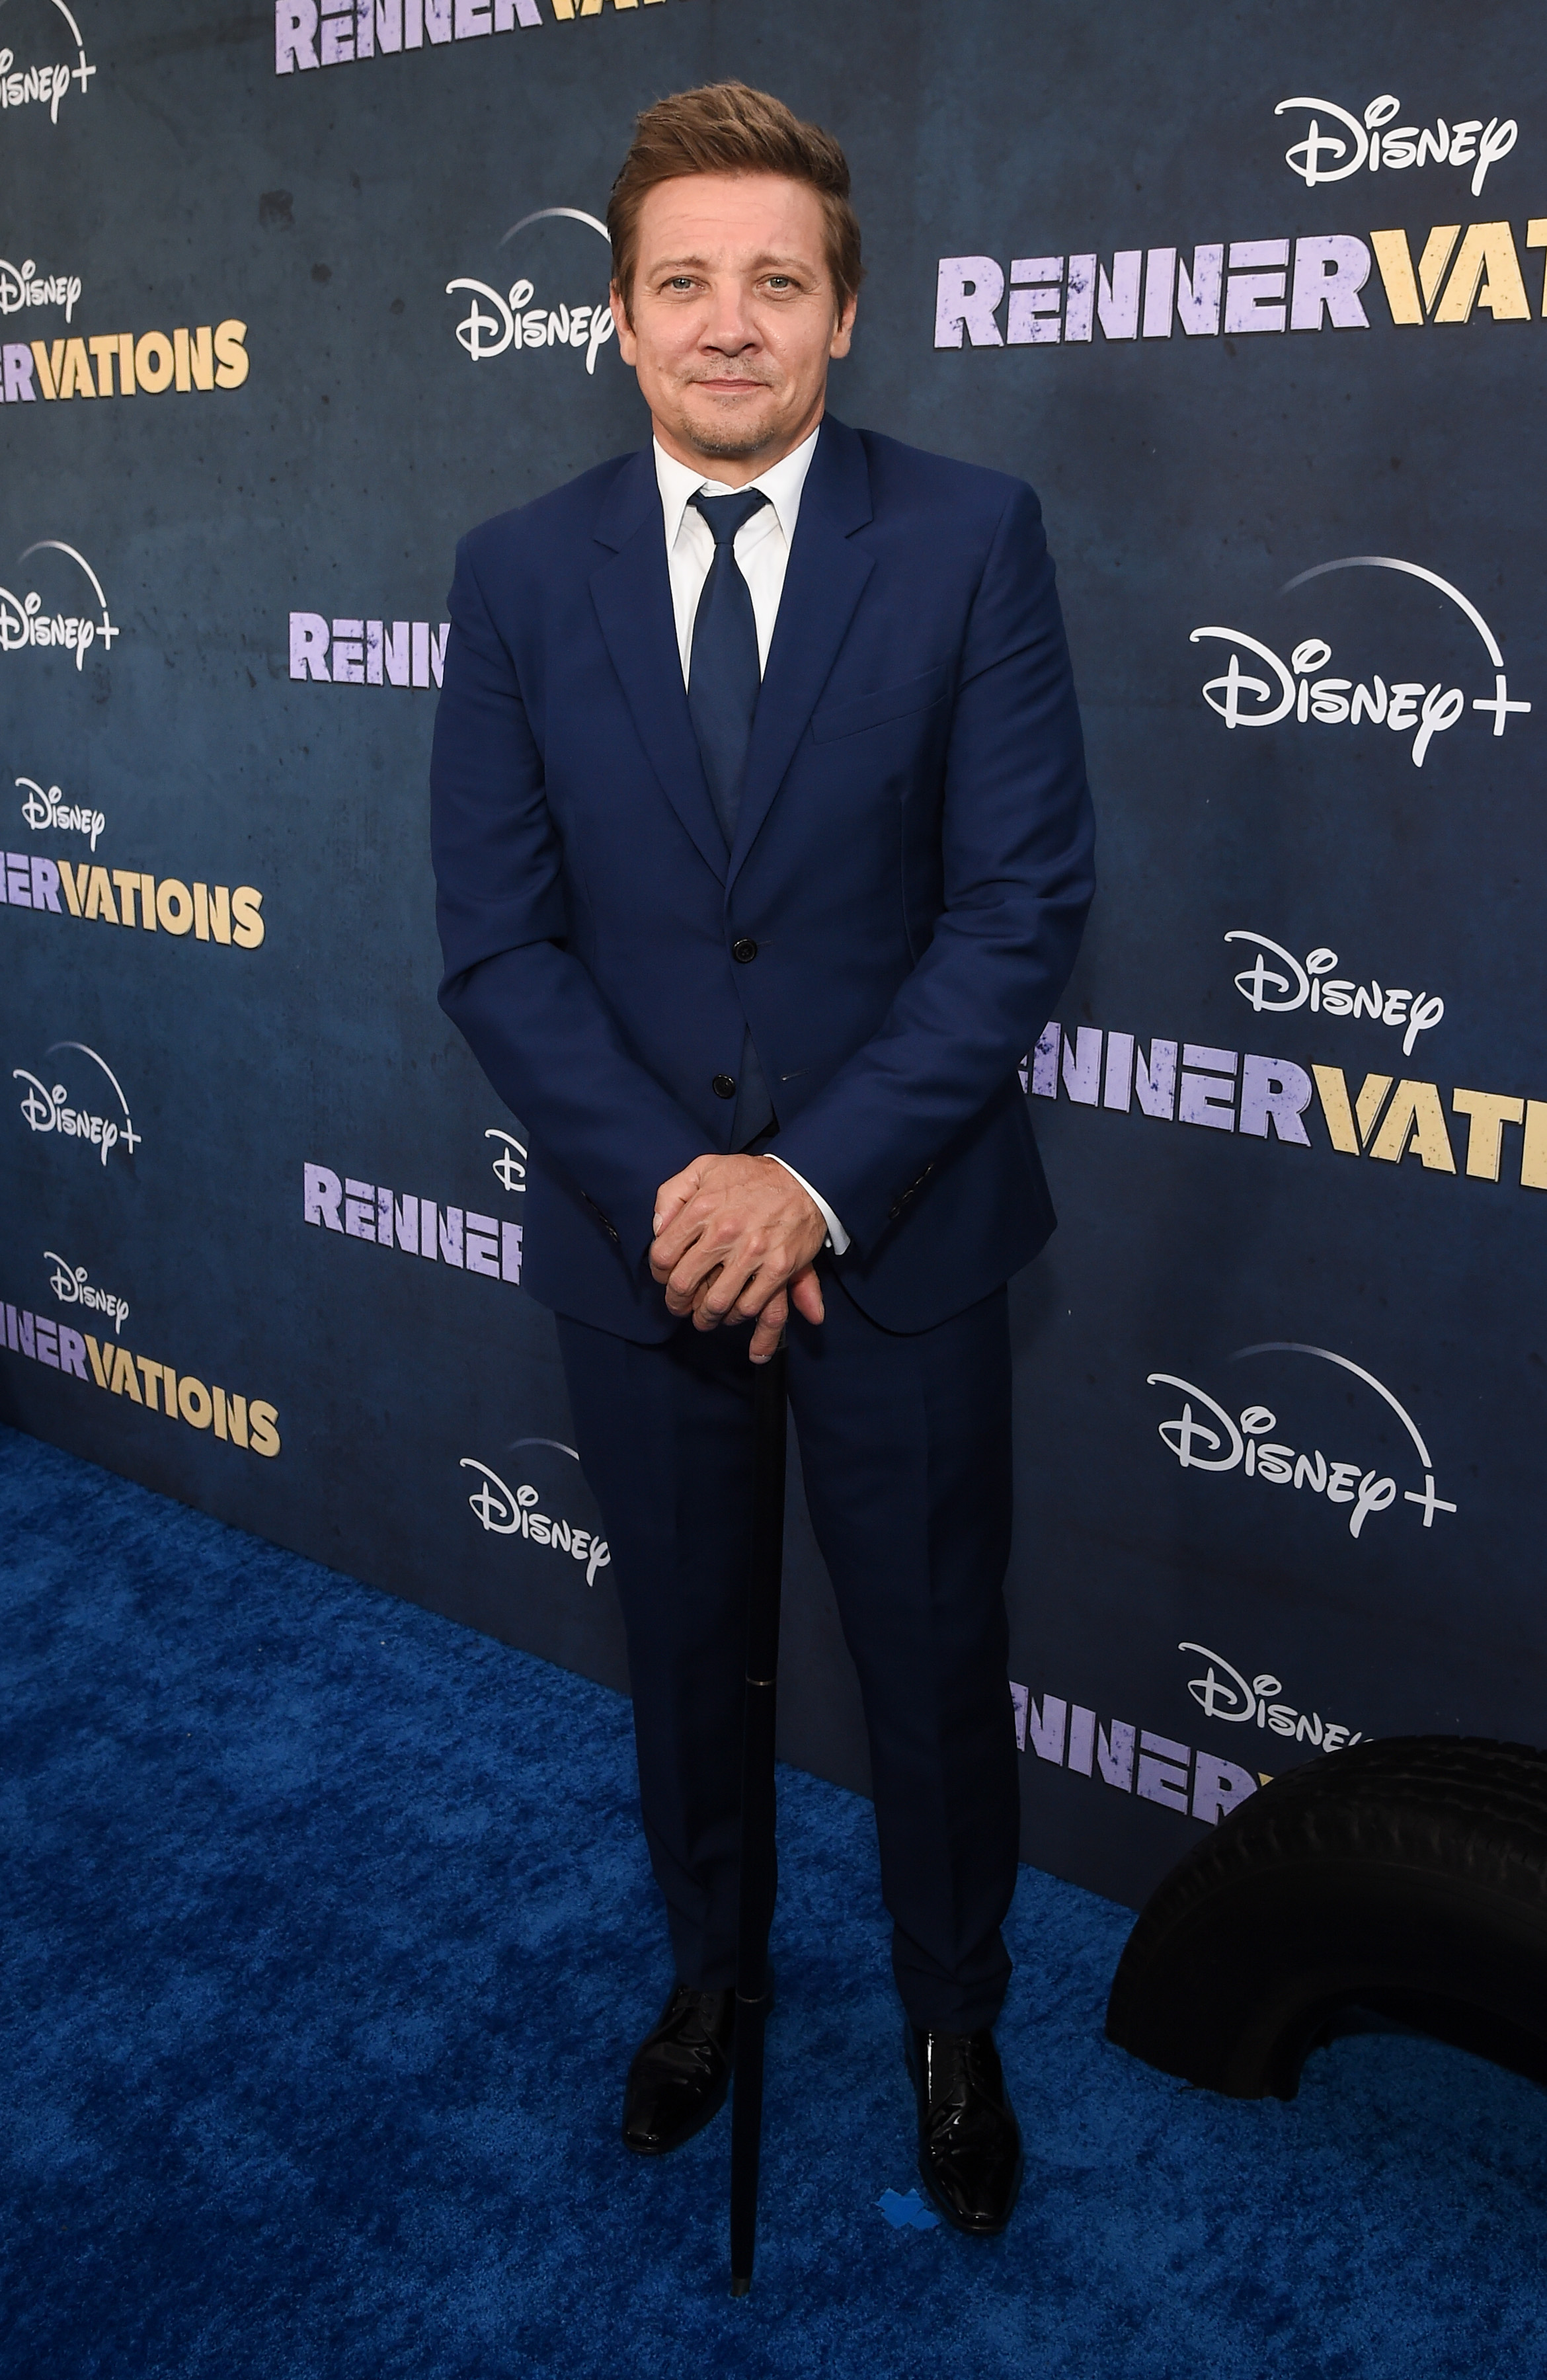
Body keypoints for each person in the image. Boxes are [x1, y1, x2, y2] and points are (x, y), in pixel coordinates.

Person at [430, 80, 1093, 2238]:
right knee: (684, 1649)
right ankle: (711, 1977)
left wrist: (800, 1186)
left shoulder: (972, 536)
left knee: (931, 1660)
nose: (730, 322)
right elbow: (499, 942)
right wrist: (679, 1191)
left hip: (899, 1236)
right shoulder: (514, 573)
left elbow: (1017, 908)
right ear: (620, 317)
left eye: (776, 282)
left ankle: (951, 2021)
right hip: (636, 1246)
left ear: (845, 314)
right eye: (685, 282)